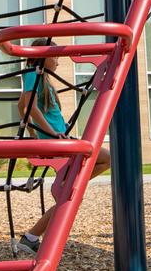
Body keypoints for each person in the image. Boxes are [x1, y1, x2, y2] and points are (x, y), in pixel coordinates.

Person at [15, 44, 111, 256]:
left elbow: (20, 106)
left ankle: (30, 238)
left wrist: (33, 133)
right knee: (105, 158)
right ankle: (30, 237)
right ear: (43, 57)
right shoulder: (34, 72)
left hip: (60, 138)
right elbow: (29, 107)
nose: (58, 61)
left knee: (68, 195)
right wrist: (46, 133)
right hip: (57, 141)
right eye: (55, 57)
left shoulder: (43, 78)